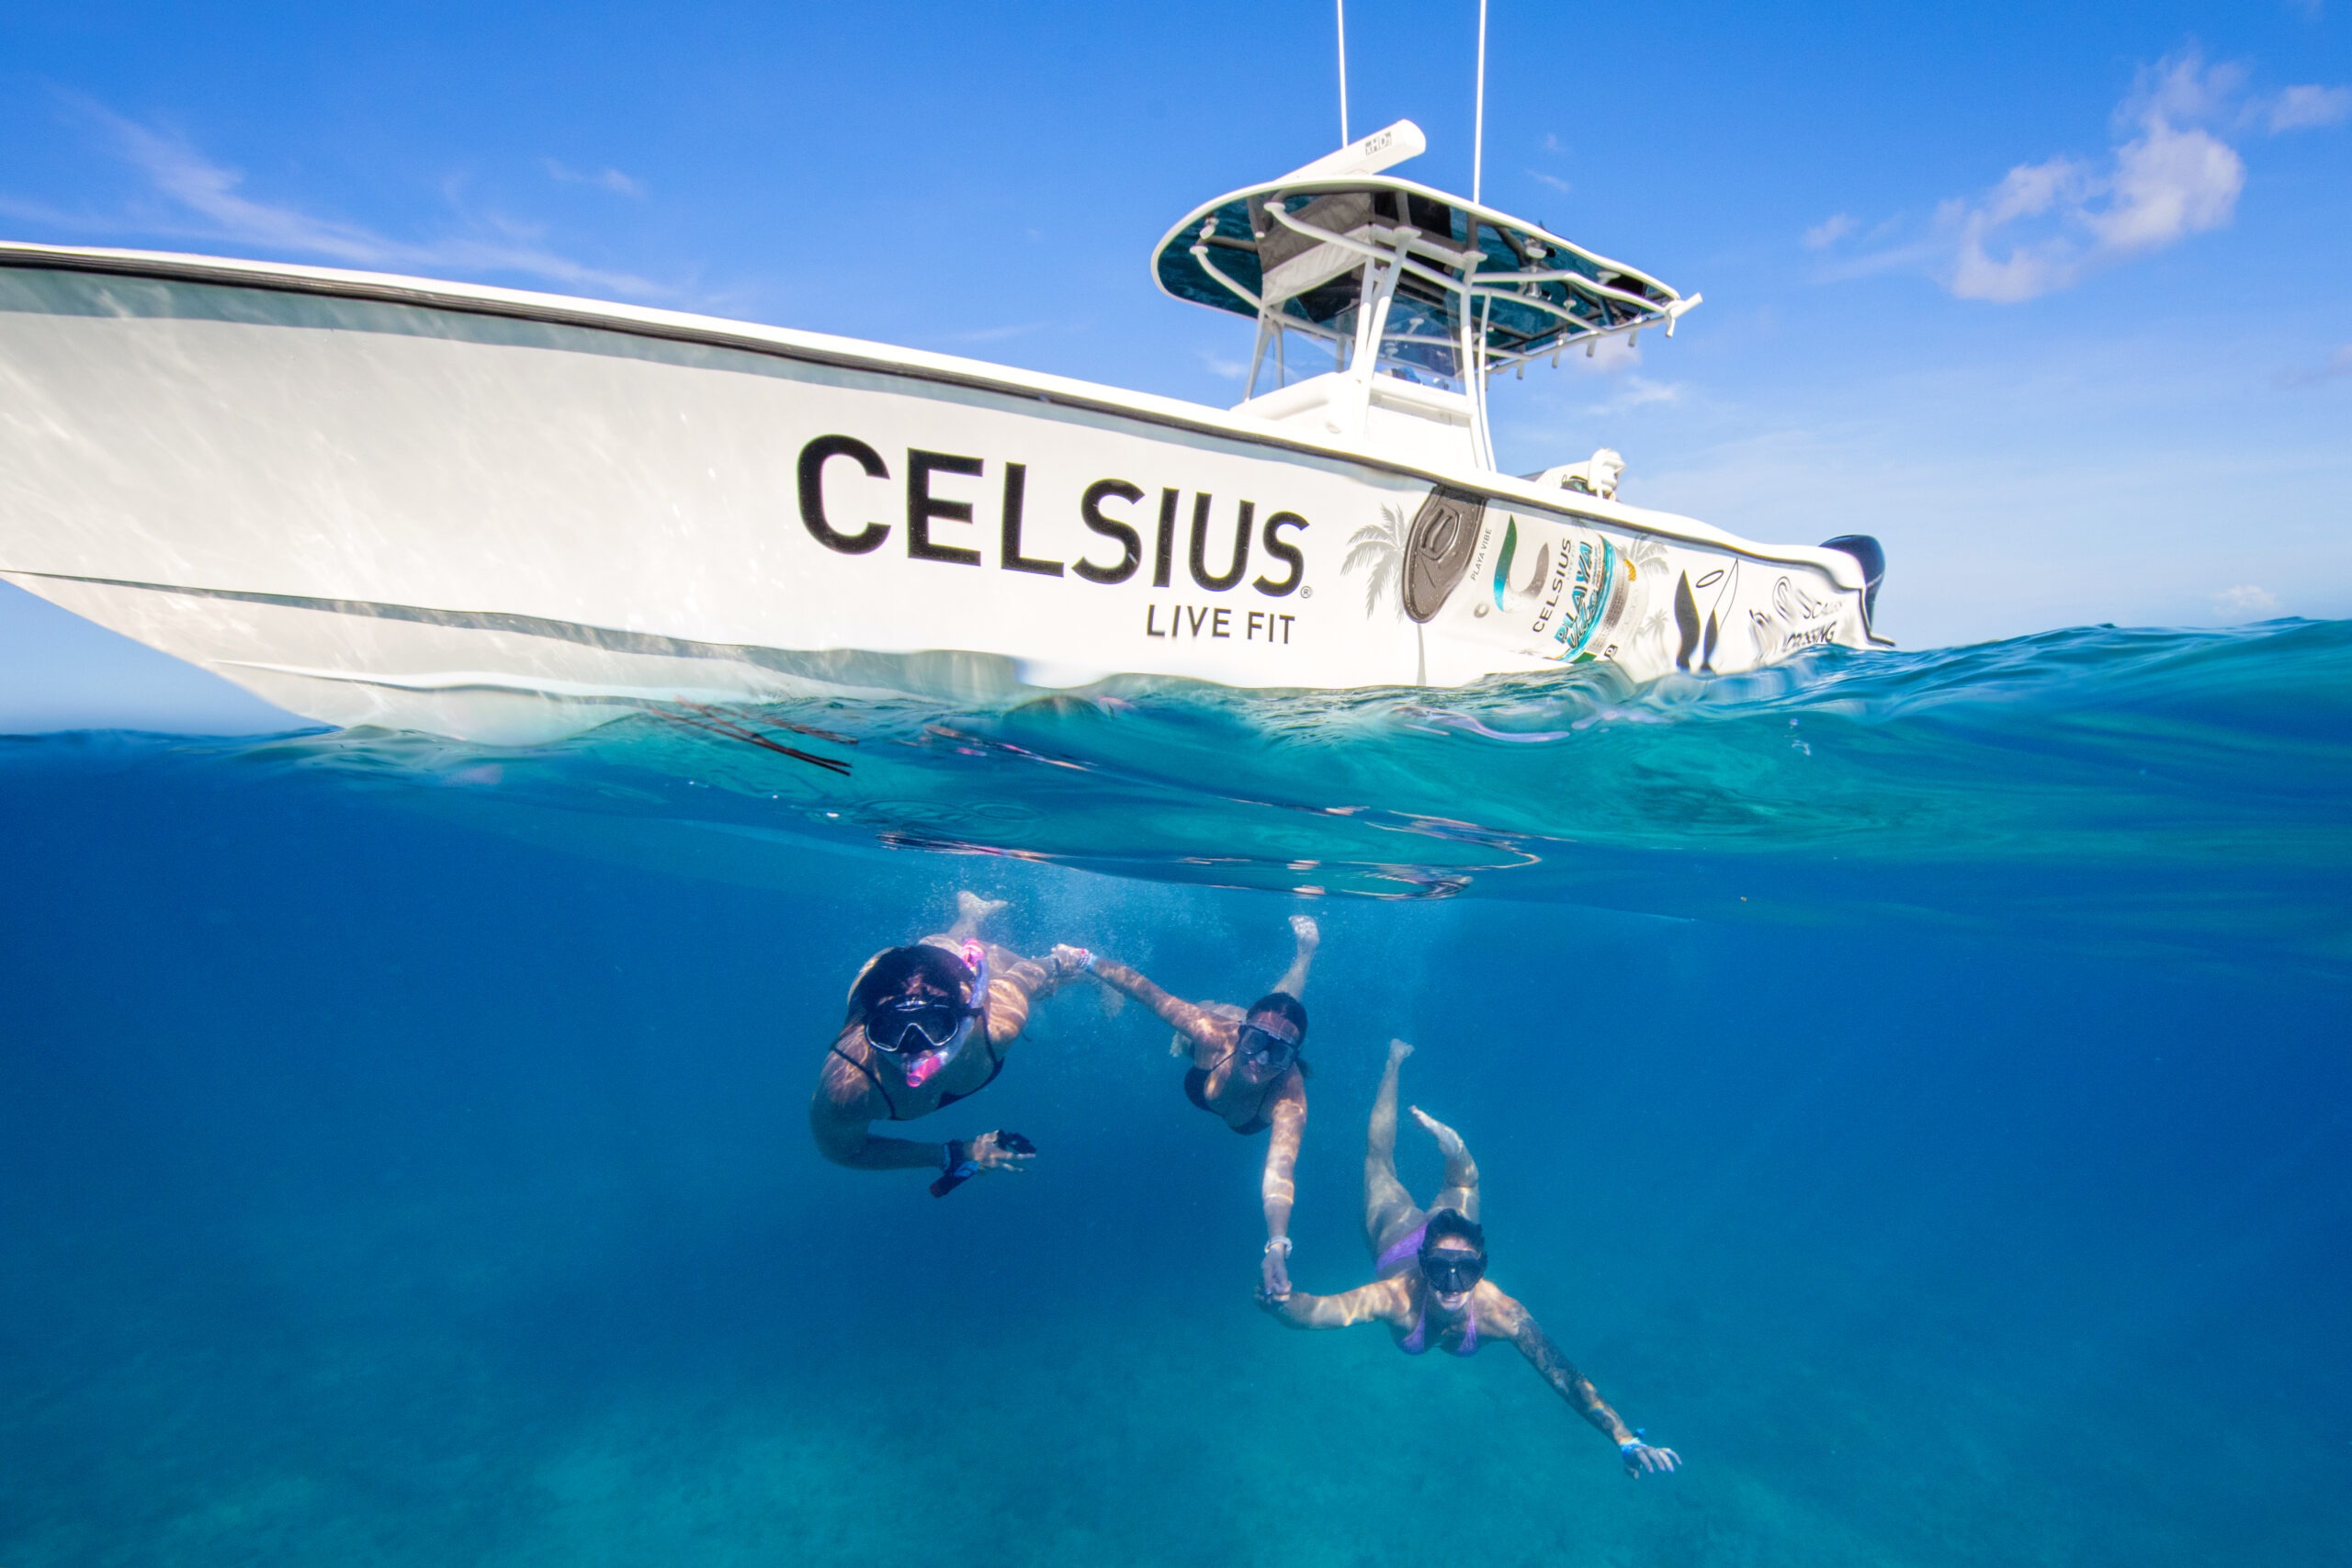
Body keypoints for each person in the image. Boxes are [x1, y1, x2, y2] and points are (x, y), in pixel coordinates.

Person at [1259, 1040, 1682, 1478]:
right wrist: (1280, 1304)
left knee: (1464, 1183)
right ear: (1424, 1264)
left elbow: (1563, 1374)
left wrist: (1624, 1437)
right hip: (1396, 1236)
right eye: (1439, 1269)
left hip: (1448, 1231)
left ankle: (1454, 1147)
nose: (1450, 1284)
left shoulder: (1499, 1311)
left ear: (1481, 1271)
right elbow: (1320, 1312)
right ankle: (1393, 1061)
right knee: (1379, 1162)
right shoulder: (1398, 1295)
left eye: (1467, 1273)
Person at [1084, 916, 1319, 1298]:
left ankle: (1304, 955)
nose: (1260, 1060)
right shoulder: (1212, 1032)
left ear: (1293, 1060)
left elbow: (1281, 1171)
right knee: (1210, 1016)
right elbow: (1147, 992)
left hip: (1239, 1040)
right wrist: (1086, 960)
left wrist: (1277, 1244)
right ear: (1242, 1035)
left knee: (1280, 1014)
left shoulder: (1288, 1097)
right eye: (1254, 1041)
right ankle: (1302, 957)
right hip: (1216, 1033)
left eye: (1278, 1054)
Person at [809, 892, 1090, 1195]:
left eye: (934, 1026)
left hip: (944, 968)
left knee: (1017, 978)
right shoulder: (848, 1088)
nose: (915, 1049)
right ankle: (970, 916)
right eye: (891, 1031)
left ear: (964, 1012)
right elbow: (843, 1151)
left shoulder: (995, 1023)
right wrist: (950, 1154)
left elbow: (1031, 973)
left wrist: (1080, 967)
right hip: (884, 972)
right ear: (872, 1029)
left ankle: (970, 918)